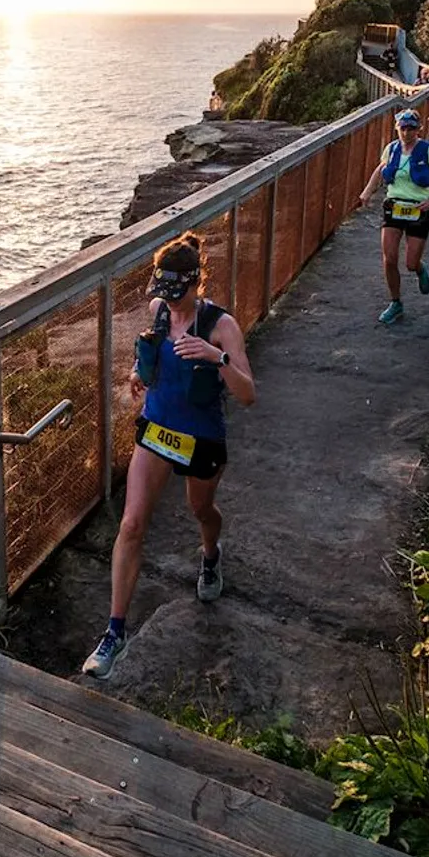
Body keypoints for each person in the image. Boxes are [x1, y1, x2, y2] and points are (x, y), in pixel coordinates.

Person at [82, 234, 256, 680]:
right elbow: (150, 364)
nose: (169, 305)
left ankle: (211, 554)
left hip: (201, 437)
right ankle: (114, 632)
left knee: (200, 509)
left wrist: (216, 358)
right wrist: (137, 375)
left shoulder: (221, 326)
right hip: (156, 429)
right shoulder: (159, 311)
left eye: (177, 296)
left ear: (197, 284)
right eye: (163, 295)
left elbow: (248, 394)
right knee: (132, 523)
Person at [358, 107, 429, 324]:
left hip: (419, 209)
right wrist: (367, 192)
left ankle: (419, 268)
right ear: (397, 128)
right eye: (403, 128)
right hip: (394, 206)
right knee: (389, 259)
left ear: (418, 130)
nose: (407, 133)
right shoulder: (391, 149)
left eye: (411, 129)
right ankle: (395, 302)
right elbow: (381, 169)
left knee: (410, 263)